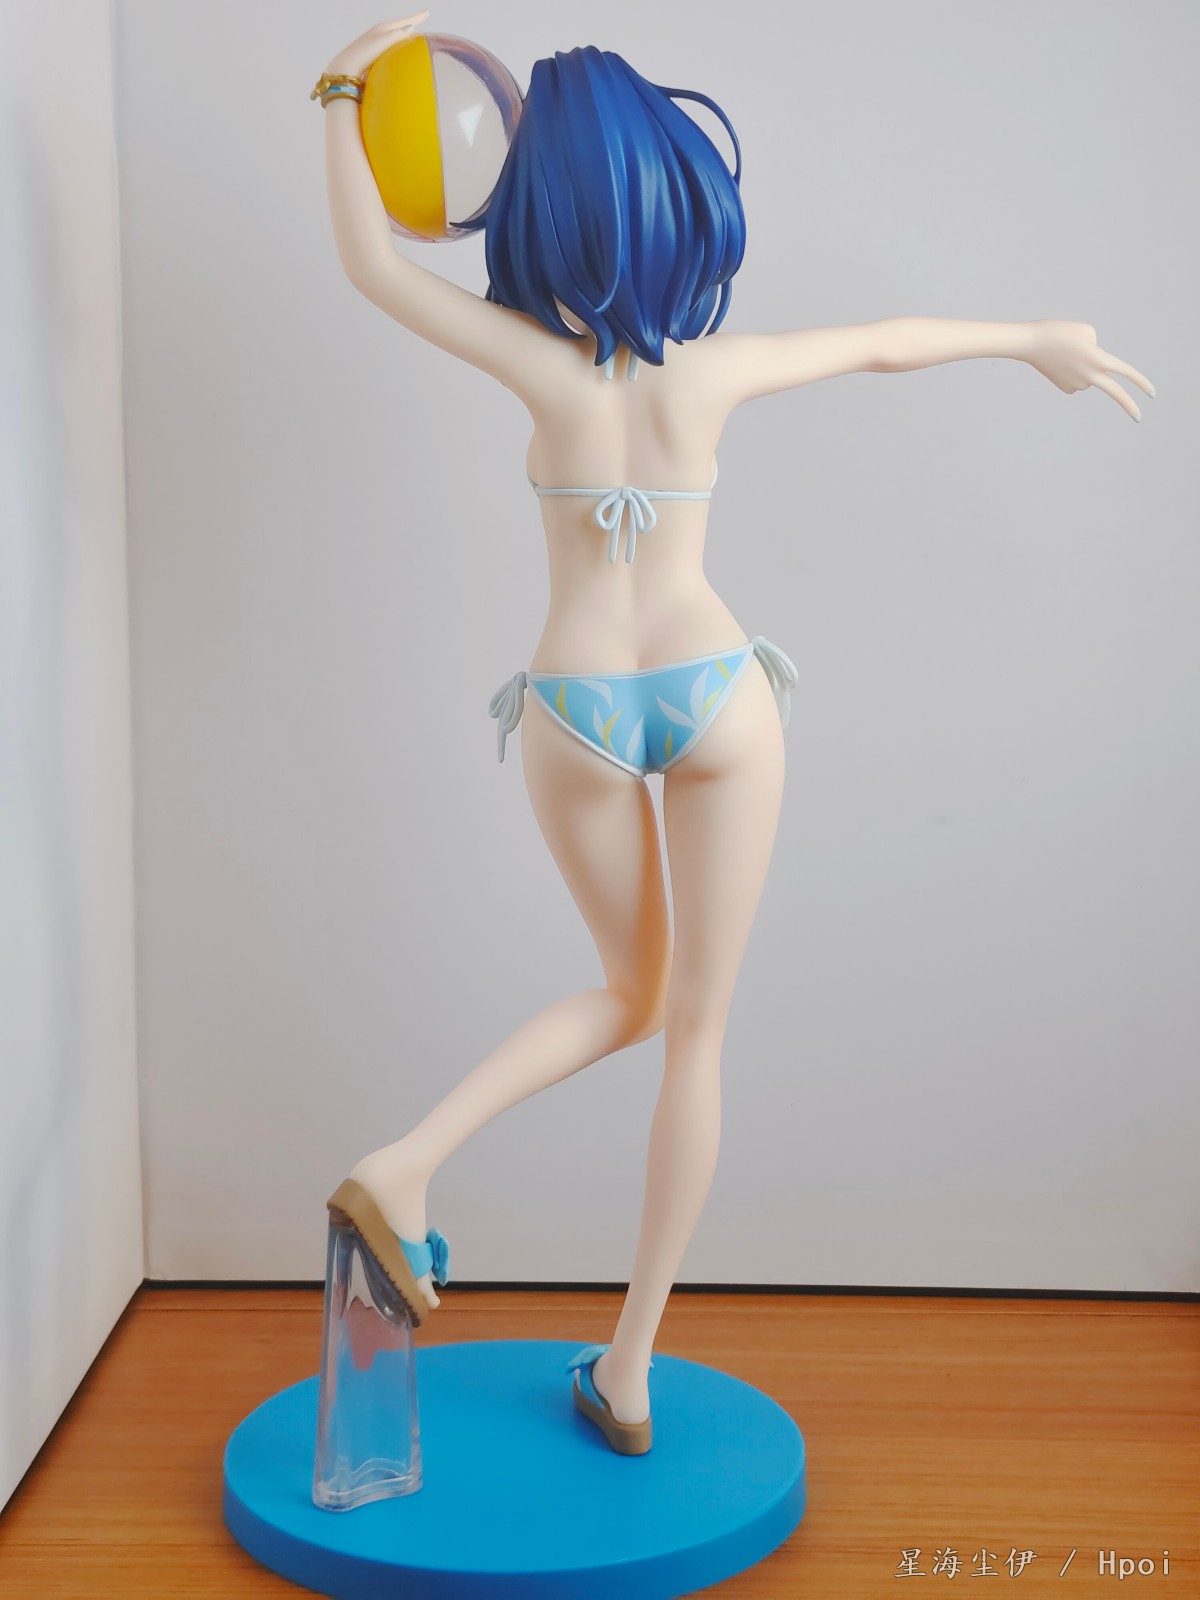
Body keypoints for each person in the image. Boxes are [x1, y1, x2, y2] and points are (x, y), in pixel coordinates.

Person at [315, 16, 1153, 1454]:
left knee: (625, 994)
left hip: (577, 703)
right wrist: (1034, 341)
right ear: (669, 200)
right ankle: (630, 1366)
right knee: (691, 1027)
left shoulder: (536, 368)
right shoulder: (710, 373)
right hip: (715, 691)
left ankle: (408, 1160)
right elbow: (885, 345)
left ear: (531, 211)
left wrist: (345, 87)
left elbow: (371, 264)